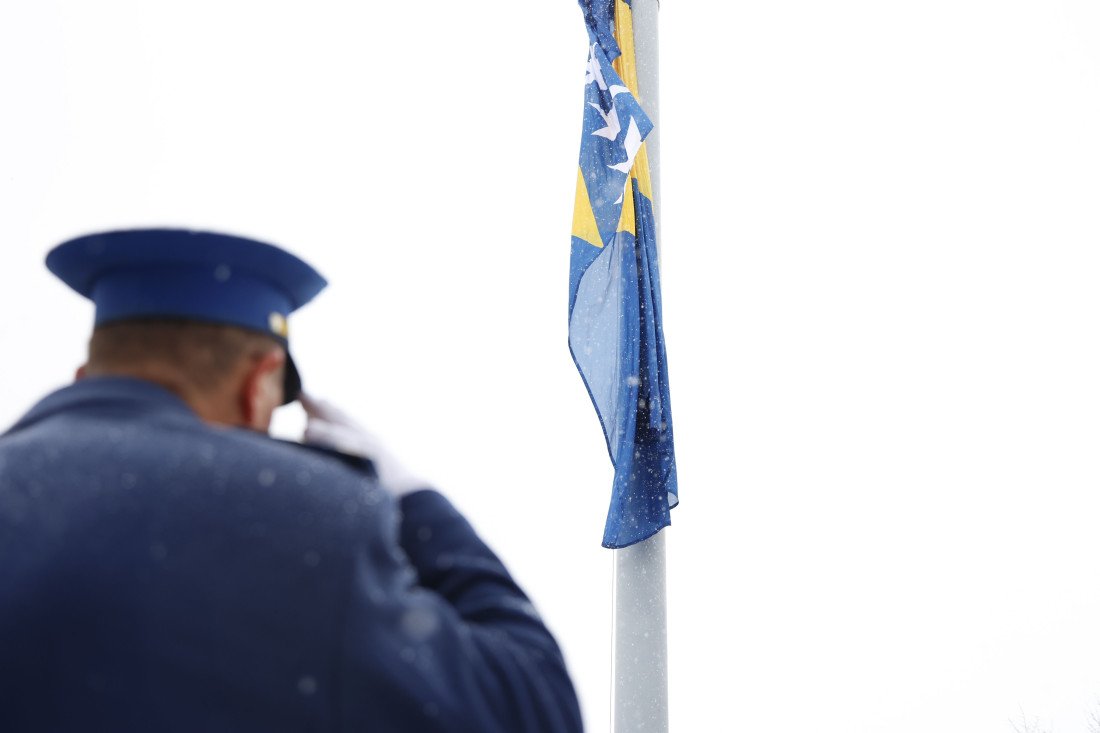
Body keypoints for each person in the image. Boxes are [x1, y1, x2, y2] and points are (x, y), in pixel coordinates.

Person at [0, 229, 583, 733]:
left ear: (85, 373)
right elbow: (534, 706)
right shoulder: (309, 520)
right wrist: (414, 502)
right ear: (259, 382)